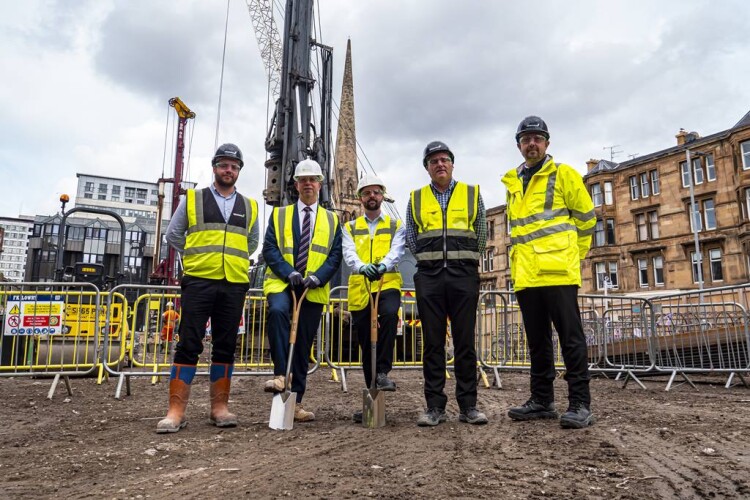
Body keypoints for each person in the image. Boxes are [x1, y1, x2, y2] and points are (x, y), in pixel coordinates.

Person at [157, 143, 259, 433]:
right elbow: (173, 234)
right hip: (199, 281)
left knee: (226, 345)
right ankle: (175, 411)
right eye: (224, 165)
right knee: (189, 343)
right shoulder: (193, 199)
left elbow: (252, 242)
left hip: (234, 283)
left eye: (234, 166)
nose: (229, 170)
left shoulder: (250, 205)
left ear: (239, 171)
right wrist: (196, 257)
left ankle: (219, 408)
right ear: (215, 167)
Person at [502, 116, 596, 429]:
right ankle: (542, 399)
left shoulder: (564, 175)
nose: (532, 143)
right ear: (519, 145)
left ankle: (580, 403)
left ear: (546, 143)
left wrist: (572, 256)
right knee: (537, 342)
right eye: (526, 139)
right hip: (527, 275)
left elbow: (586, 221)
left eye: (537, 138)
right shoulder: (513, 182)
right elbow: (519, 231)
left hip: (558, 272)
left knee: (571, 339)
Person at [405, 141, 488, 427]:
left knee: (465, 342)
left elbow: (481, 231)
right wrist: (428, 262)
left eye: (444, 159)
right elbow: (411, 236)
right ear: (427, 168)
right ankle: (434, 407)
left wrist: (468, 260)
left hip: (463, 275)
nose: (439, 164)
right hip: (429, 277)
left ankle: (469, 406)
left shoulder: (471, 193)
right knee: (433, 343)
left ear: (452, 164)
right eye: (433, 161)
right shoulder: (416, 198)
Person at [262, 159, 342, 422]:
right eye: (303, 180)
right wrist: (290, 272)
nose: (308, 184)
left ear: (320, 184)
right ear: (296, 184)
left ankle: (294, 403)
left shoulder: (332, 219)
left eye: (313, 179)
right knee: (277, 312)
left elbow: (335, 255)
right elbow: (270, 249)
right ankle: (280, 375)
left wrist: (318, 277)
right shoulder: (280, 214)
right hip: (283, 283)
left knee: (302, 343)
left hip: (313, 289)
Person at [342, 174, 405, 423]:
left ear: (382, 196)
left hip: (386, 282)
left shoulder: (394, 225)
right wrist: (361, 267)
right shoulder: (349, 227)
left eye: (376, 192)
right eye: (367, 193)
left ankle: (383, 371)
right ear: (360, 198)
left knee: (389, 314)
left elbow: (397, 250)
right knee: (367, 344)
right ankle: (373, 402)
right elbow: (349, 253)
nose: (372, 196)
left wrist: (381, 266)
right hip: (360, 288)